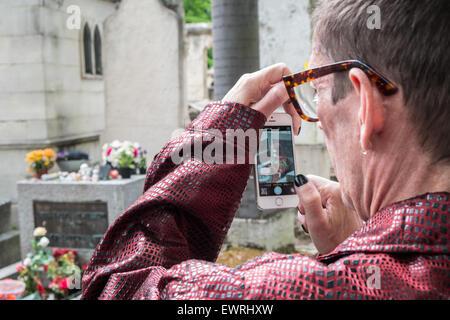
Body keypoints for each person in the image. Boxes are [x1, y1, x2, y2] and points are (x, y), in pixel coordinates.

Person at [82, 0, 450, 299]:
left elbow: (116, 285)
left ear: (364, 107)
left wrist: (219, 136)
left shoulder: (292, 290)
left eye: (316, 90)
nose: (316, 118)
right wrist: (358, 245)